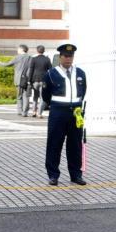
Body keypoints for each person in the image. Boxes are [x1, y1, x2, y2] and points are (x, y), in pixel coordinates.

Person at [42, 43, 87, 186]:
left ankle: (76, 175)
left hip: (75, 113)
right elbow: (45, 95)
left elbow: (83, 91)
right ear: (60, 57)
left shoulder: (80, 73)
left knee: (75, 145)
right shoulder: (51, 74)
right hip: (58, 113)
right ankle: (53, 175)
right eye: (66, 56)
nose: (69, 59)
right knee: (54, 144)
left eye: (71, 56)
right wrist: (57, 106)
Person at [0, 44, 32, 116]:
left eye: (18, 49)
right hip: (27, 79)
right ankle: (25, 112)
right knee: (26, 96)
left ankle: (20, 111)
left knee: (19, 96)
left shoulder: (17, 57)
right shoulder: (30, 57)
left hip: (18, 79)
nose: (17, 50)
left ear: (22, 49)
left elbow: (8, 64)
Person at [26, 45, 52, 118]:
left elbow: (31, 70)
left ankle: (34, 112)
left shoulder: (33, 59)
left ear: (37, 51)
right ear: (44, 51)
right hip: (44, 81)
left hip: (35, 81)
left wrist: (29, 80)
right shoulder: (47, 59)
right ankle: (39, 113)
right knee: (42, 98)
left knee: (35, 97)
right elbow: (50, 70)